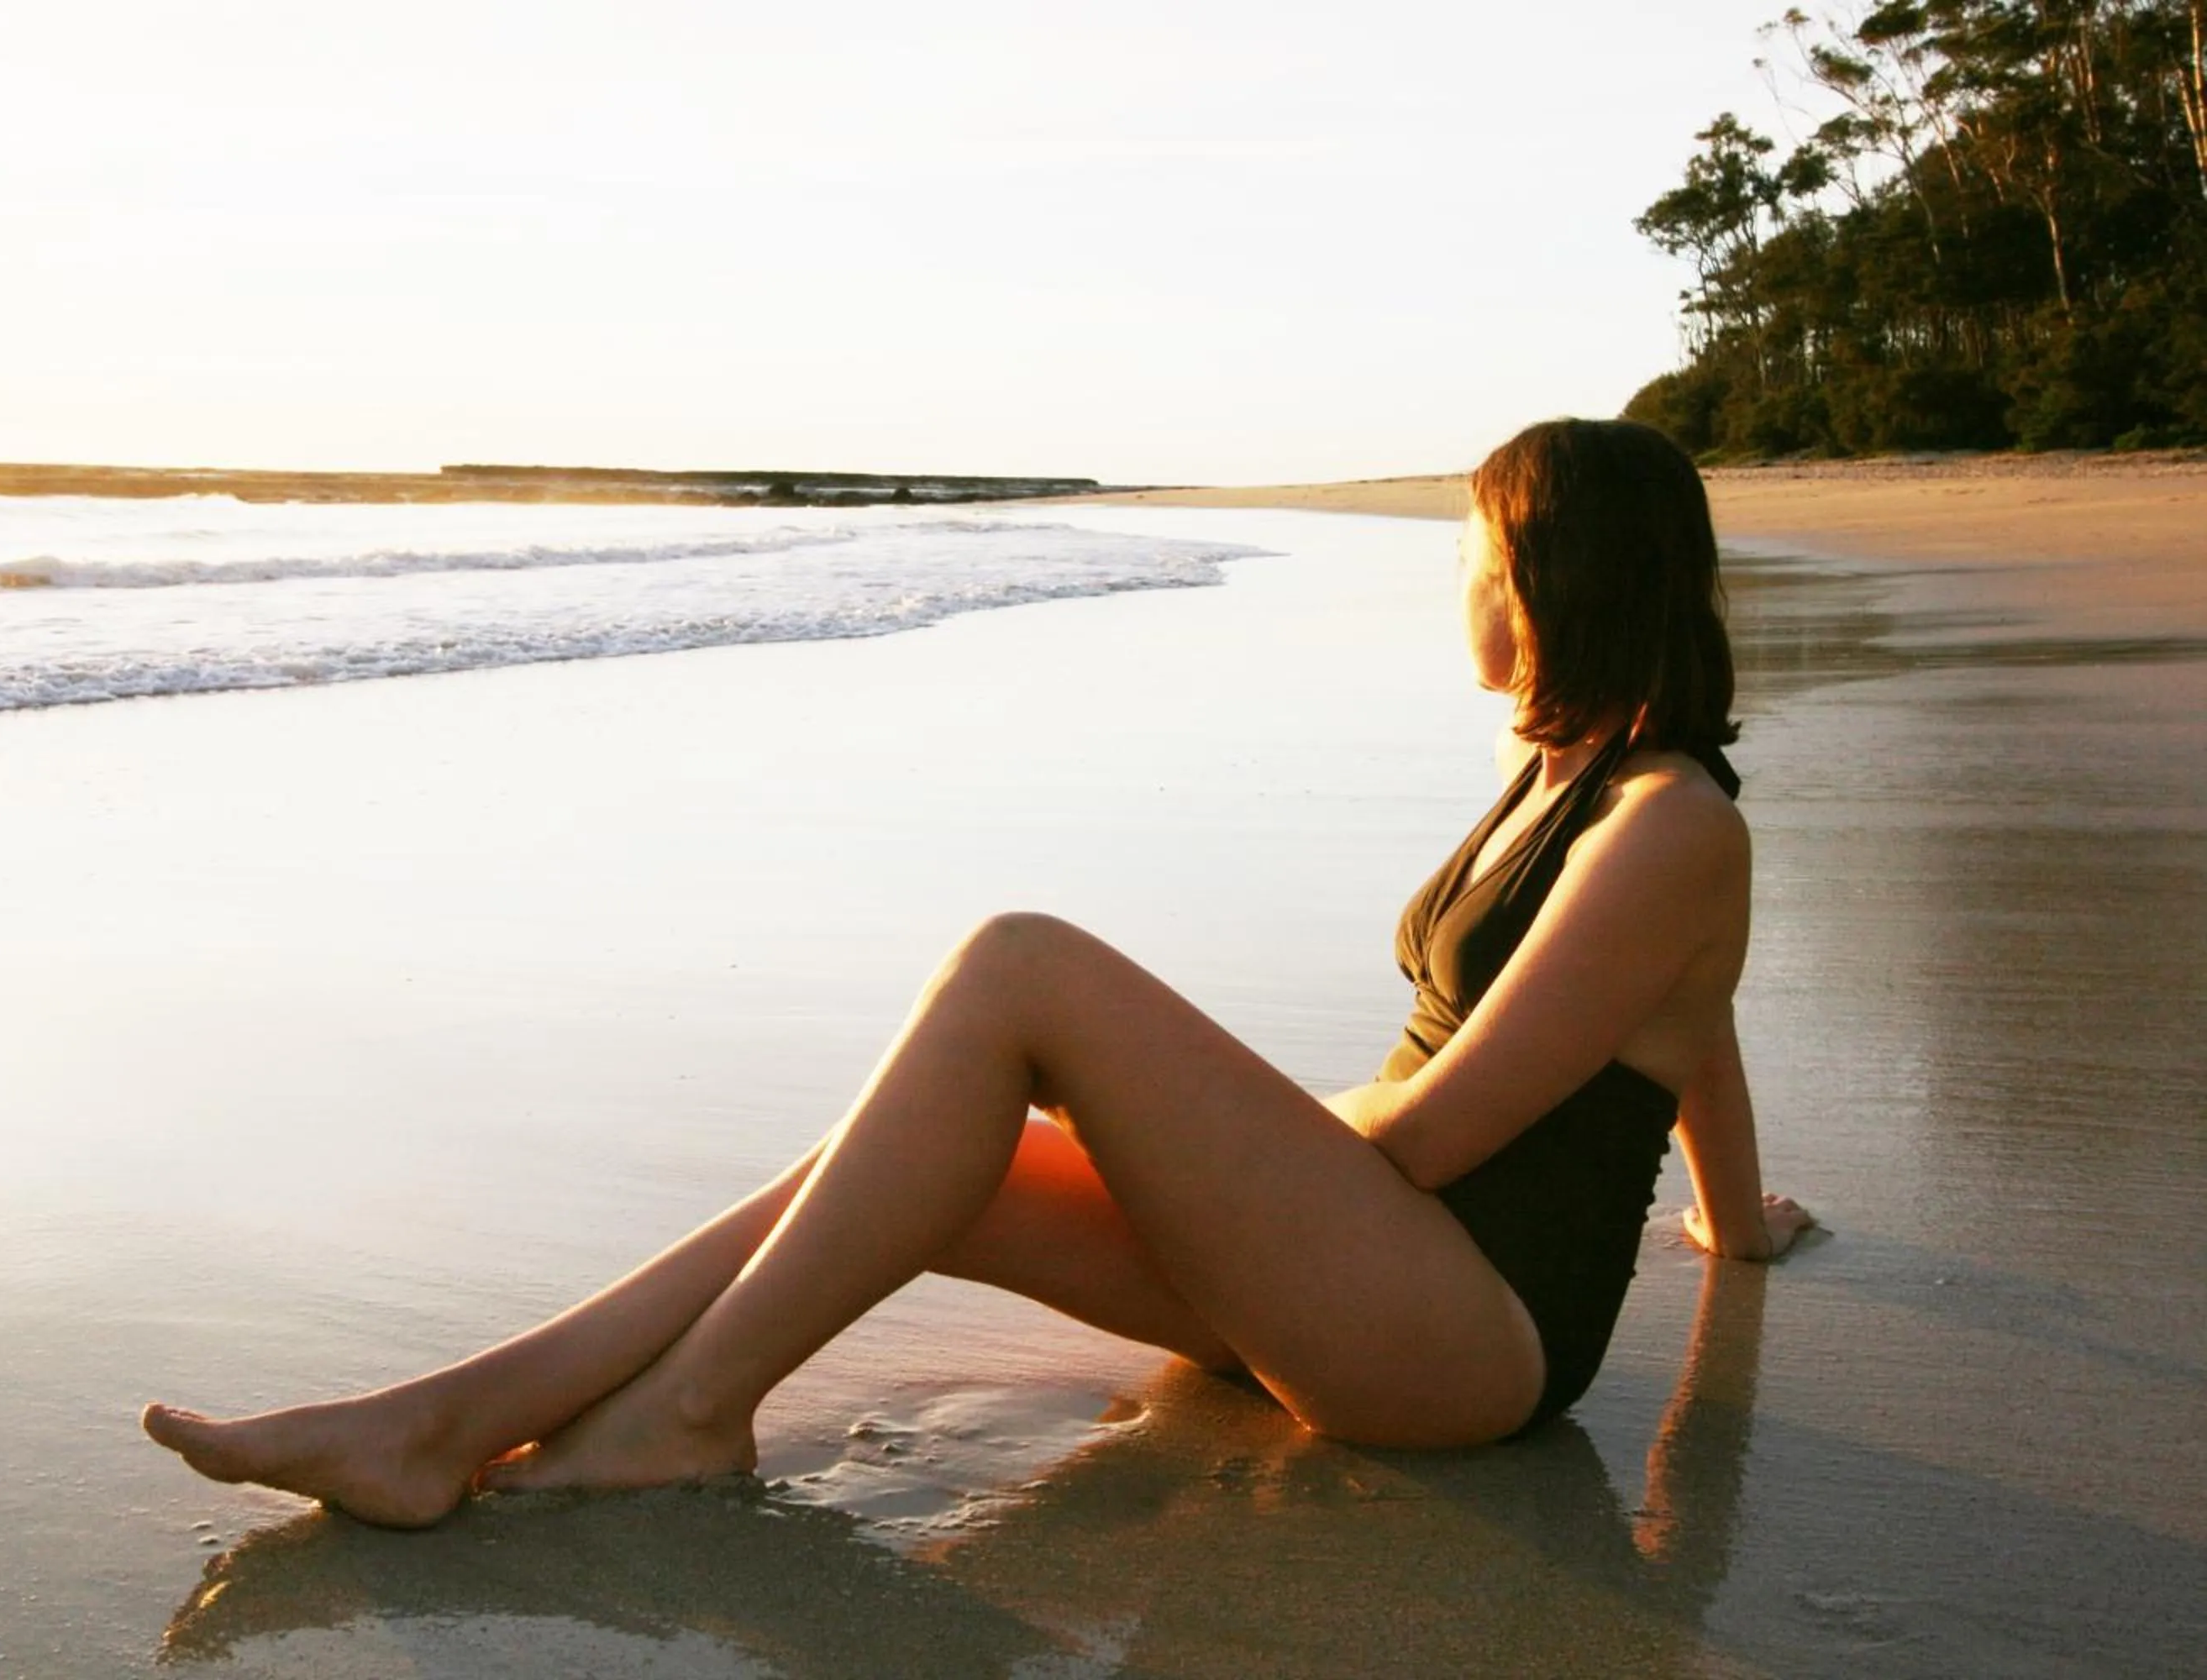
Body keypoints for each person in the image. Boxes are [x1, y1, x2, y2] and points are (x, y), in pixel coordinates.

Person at [141, 417, 1812, 1528]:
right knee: (911, 1156)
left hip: (1465, 1338)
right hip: (1366, 1275)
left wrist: (1198, 1126)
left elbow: (1435, 1139)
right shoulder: (1566, 776)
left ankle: (690, 1412)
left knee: (1022, 970)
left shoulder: (1670, 824)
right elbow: (1692, 1037)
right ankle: (447, 1417)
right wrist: (1738, 1226)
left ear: (1546, 586)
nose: (1461, 595)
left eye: (1476, 566)